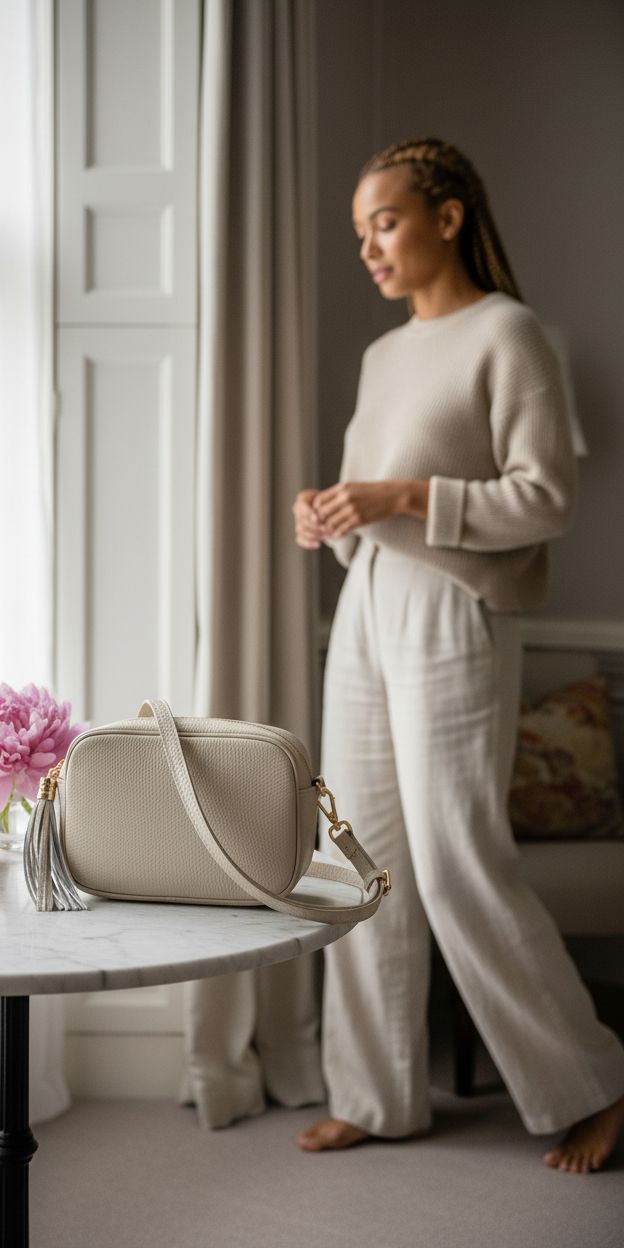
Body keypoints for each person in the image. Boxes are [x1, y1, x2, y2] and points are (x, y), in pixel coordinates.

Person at [292, 136, 624, 1174]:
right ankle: (376, 1093)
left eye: (383, 222)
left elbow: (544, 499)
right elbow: (365, 497)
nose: (369, 248)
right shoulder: (383, 356)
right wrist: (329, 516)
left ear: (445, 216)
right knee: (357, 859)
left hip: (455, 606)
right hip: (367, 606)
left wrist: (398, 497)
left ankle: (595, 1083)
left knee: (452, 857)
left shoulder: (509, 335)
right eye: (359, 234)